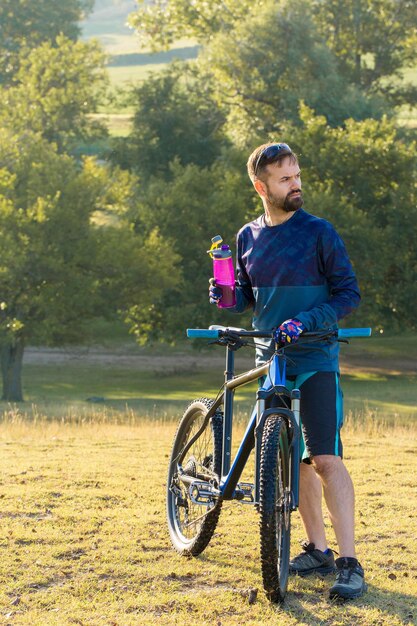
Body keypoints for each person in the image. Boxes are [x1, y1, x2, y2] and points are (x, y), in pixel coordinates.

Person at [209, 142, 366, 600]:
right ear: (261, 186)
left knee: (325, 457)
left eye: (297, 175)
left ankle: (349, 560)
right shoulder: (247, 237)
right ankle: (316, 549)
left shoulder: (319, 232)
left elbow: (347, 294)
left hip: (315, 357)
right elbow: (242, 299)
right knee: (288, 457)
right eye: (284, 178)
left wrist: (306, 322)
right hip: (269, 358)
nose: (295, 184)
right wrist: (222, 290)